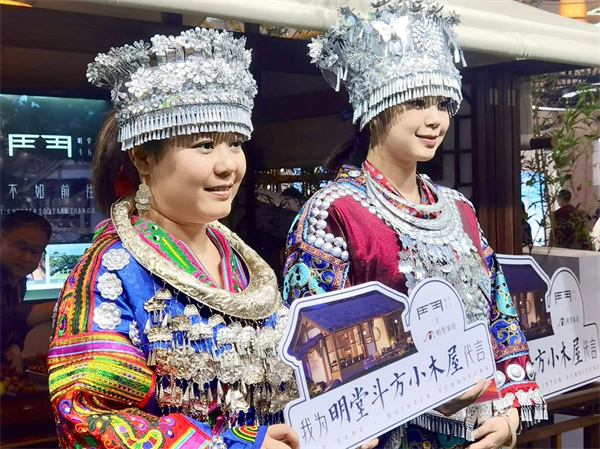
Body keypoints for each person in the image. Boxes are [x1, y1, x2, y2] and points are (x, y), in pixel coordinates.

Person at [283, 2, 546, 448]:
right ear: (375, 107)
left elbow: (500, 311)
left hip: (481, 429)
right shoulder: (334, 212)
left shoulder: (458, 209)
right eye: (417, 101)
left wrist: (511, 412)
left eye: (442, 103)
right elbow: (313, 343)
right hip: (390, 434)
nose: (435, 119)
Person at [47, 28, 298, 449]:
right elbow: (89, 419)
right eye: (204, 145)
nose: (228, 165)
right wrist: (235, 445)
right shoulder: (110, 272)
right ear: (144, 158)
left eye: (235, 143)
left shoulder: (238, 261)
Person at [1, 210, 51, 373]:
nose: (27, 258)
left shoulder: (18, 280)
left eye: (35, 251)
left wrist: (12, 344)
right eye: (21, 247)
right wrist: (62, 305)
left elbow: (11, 327)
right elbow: (7, 316)